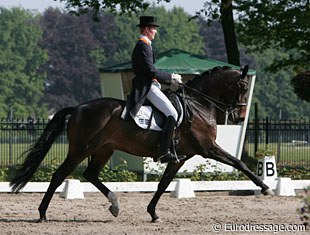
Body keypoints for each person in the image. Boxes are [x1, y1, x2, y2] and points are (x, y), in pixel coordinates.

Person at [122, 16, 183, 163]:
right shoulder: (143, 45)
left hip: (150, 84)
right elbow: (150, 70)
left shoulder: (146, 45)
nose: (155, 32)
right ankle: (164, 152)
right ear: (147, 29)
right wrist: (171, 77)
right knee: (172, 114)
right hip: (147, 86)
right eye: (154, 29)